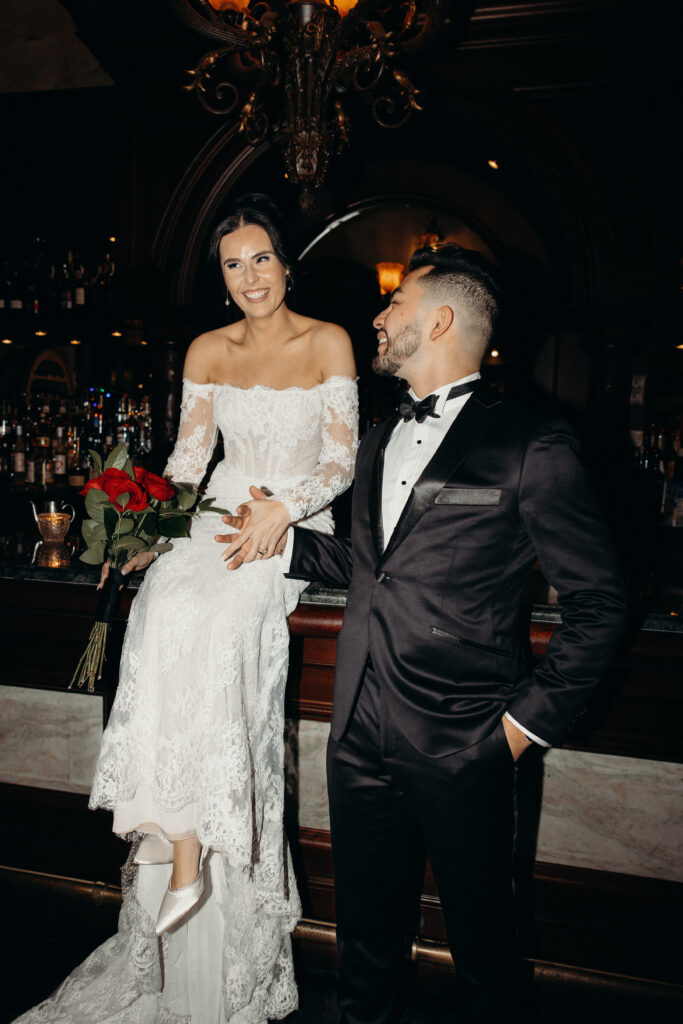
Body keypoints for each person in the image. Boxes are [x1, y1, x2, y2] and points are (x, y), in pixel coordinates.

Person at [218, 243, 627, 1023]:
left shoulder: (531, 444)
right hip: (360, 727)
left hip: (466, 737)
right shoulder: (377, 437)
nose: (377, 316)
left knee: (483, 952)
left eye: (394, 305)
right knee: (363, 944)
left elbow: (601, 606)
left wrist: (515, 731)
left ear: (439, 319)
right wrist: (282, 538)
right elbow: (368, 562)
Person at [13, 193, 358, 1024]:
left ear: (286, 261)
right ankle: (178, 843)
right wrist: (145, 531)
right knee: (163, 608)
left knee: (221, 624)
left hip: (291, 517)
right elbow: (188, 458)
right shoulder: (207, 347)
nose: (250, 277)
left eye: (261, 259)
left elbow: (343, 459)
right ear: (222, 276)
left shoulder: (328, 341)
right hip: (218, 511)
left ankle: (199, 849)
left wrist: (285, 509)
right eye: (233, 265)